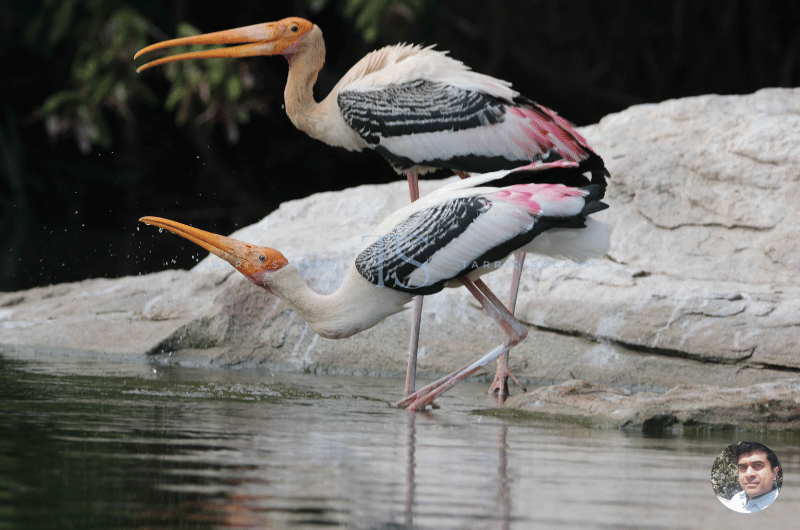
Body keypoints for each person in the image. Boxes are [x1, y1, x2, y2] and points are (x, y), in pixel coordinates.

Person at [721, 442, 781, 513]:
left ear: (774, 473)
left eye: (757, 466)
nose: (749, 474)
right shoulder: (737, 499)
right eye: (743, 467)